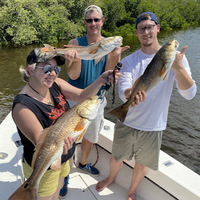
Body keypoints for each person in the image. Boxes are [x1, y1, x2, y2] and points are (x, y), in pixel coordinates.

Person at [96, 11, 197, 200]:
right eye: (142, 29)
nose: (146, 32)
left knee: (142, 163)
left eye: (150, 27)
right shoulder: (128, 61)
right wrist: (130, 95)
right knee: (117, 155)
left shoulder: (177, 59)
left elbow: (189, 94)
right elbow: (124, 88)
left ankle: (132, 190)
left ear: (158, 28)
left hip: (154, 125)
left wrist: (178, 68)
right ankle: (111, 178)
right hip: (127, 121)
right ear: (136, 33)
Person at [12, 46, 121, 200]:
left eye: (56, 69)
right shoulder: (22, 106)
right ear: (31, 70)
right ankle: (31, 186)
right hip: (45, 167)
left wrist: (100, 80)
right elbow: (42, 144)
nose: (53, 73)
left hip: (64, 158)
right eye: (47, 68)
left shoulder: (56, 84)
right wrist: (61, 147)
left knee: (57, 192)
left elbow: (82, 95)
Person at [63, 4, 129, 181]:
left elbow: (107, 75)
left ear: (102, 21)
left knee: (91, 135)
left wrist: (115, 56)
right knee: (68, 137)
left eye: (96, 19)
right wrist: (75, 60)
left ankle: (83, 163)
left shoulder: (109, 45)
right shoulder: (75, 44)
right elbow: (73, 75)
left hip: (96, 100)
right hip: (74, 97)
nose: (93, 23)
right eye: (89, 20)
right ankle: (66, 173)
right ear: (85, 23)